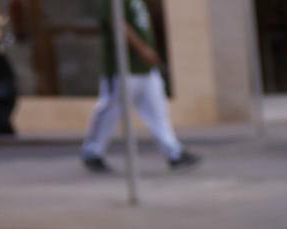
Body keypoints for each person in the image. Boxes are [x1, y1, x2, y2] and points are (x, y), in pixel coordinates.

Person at [79, 0, 198, 174]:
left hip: (146, 70)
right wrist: (143, 49)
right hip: (123, 69)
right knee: (110, 110)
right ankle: (92, 152)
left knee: (158, 112)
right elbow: (118, 24)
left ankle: (174, 152)